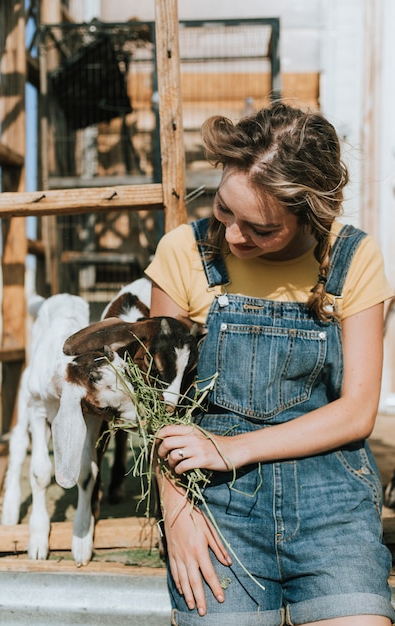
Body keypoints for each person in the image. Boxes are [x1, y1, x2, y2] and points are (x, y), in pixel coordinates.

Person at [145, 101, 395, 626]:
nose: (234, 235)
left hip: (331, 501)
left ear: (311, 213)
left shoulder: (354, 258)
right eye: (223, 209)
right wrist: (177, 513)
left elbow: (356, 412)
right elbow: (158, 408)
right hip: (217, 503)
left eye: (259, 228)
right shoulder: (181, 254)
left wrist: (231, 448)